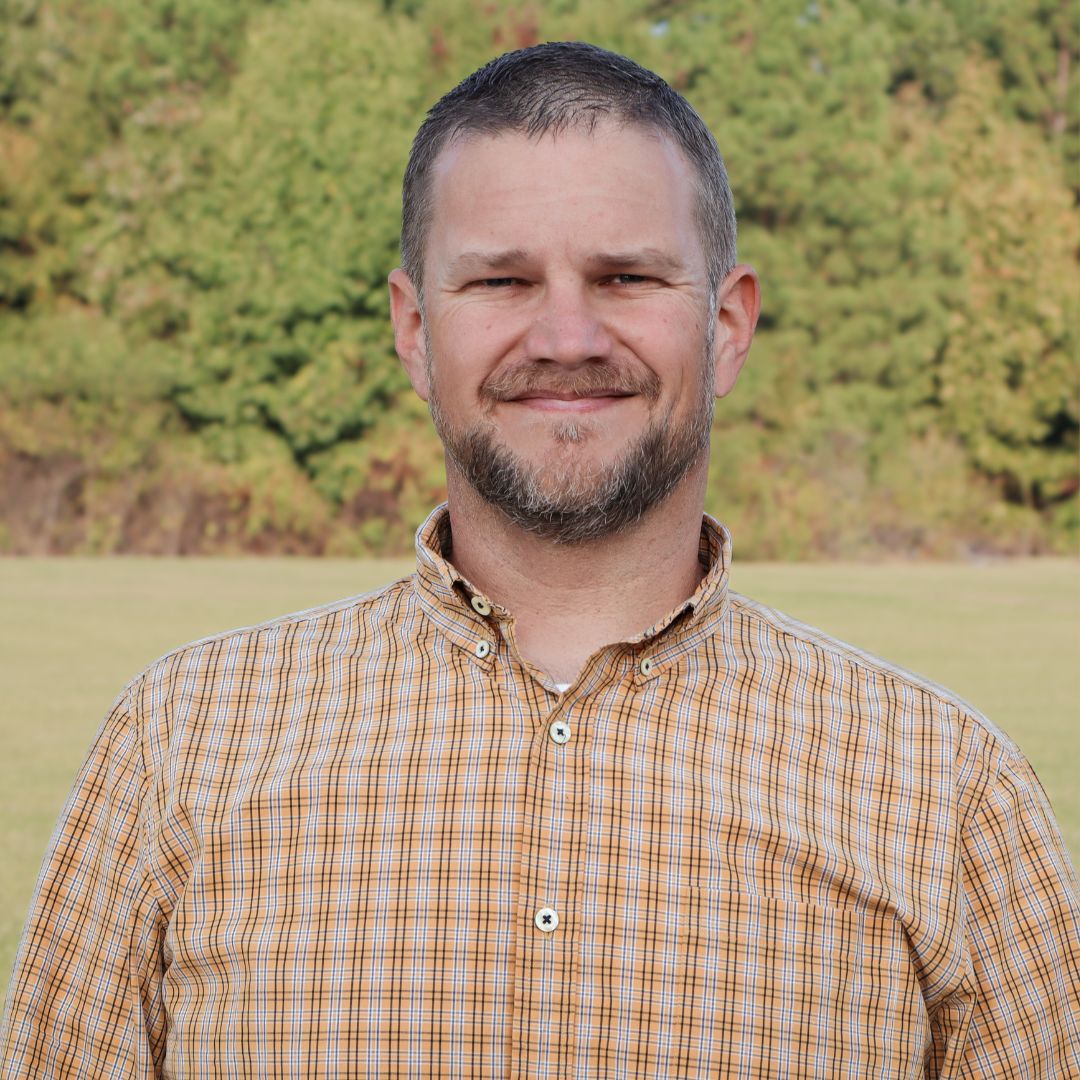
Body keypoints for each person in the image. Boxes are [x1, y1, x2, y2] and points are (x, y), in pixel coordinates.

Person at [2, 41, 1077, 1079]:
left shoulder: (946, 795)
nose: (566, 336)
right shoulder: (180, 747)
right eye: (502, 283)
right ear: (415, 329)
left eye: (625, 277)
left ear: (728, 324)